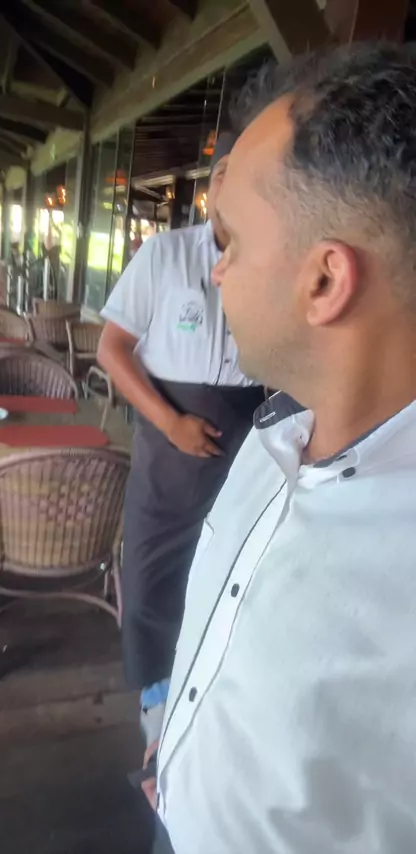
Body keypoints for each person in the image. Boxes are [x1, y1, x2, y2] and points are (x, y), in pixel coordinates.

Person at [152, 44, 416, 854]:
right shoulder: (273, 437)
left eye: (230, 243)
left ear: (325, 281)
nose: (217, 274)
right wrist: (180, 747)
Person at [97, 134, 265, 748]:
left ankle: (206, 691)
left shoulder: (272, 260)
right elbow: (111, 349)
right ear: (214, 184)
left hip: (245, 434)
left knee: (222, 567)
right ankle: (156, 700)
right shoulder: (164, 255)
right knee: (152, 565)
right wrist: (171, 423)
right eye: (227, 174)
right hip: (170, 433)